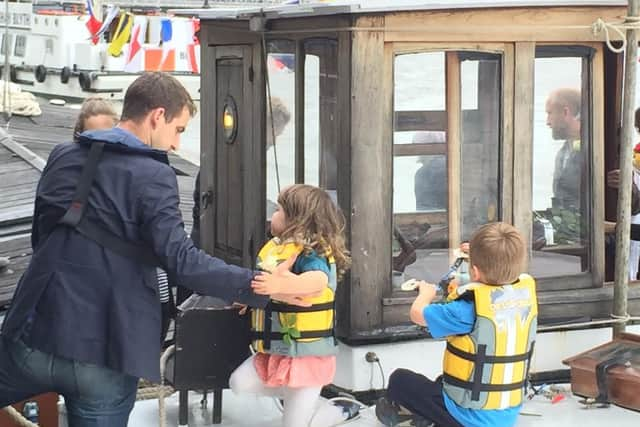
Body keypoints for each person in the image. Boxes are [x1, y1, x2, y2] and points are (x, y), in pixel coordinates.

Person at [0, 72, 289, 426]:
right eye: (178, 129)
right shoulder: (154, 175)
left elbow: (42, 237)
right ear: (157, 116)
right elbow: (181, 261)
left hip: (33, 336)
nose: (175, 145)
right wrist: (257, 283)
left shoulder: (63, 155)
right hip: (105, 350)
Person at [376, 222, 537, 427]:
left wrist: (425, 294)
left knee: (400, 380)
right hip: (506, 414)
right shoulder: (525, 298)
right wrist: (479, 254)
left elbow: (417, 315)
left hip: (467, 417)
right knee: (442, 382)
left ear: (475, 272)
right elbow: (495, 283)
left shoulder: (465, 310)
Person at [229, 184, 359, 427]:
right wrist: (252, 300)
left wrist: (278, 285)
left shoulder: (313, 253)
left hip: (308, 356)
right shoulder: (277, 249)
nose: (273, 215)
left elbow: (318, 282)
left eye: (278, 210)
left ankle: (338, 411)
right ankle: (307, 404)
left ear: (297, 220)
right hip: (278, 349)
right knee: (239, 382)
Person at [546, 88, 582, 210]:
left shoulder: (595, 151)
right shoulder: (563, 153)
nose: (547, 122)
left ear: (566, 112)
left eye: (550, 113)